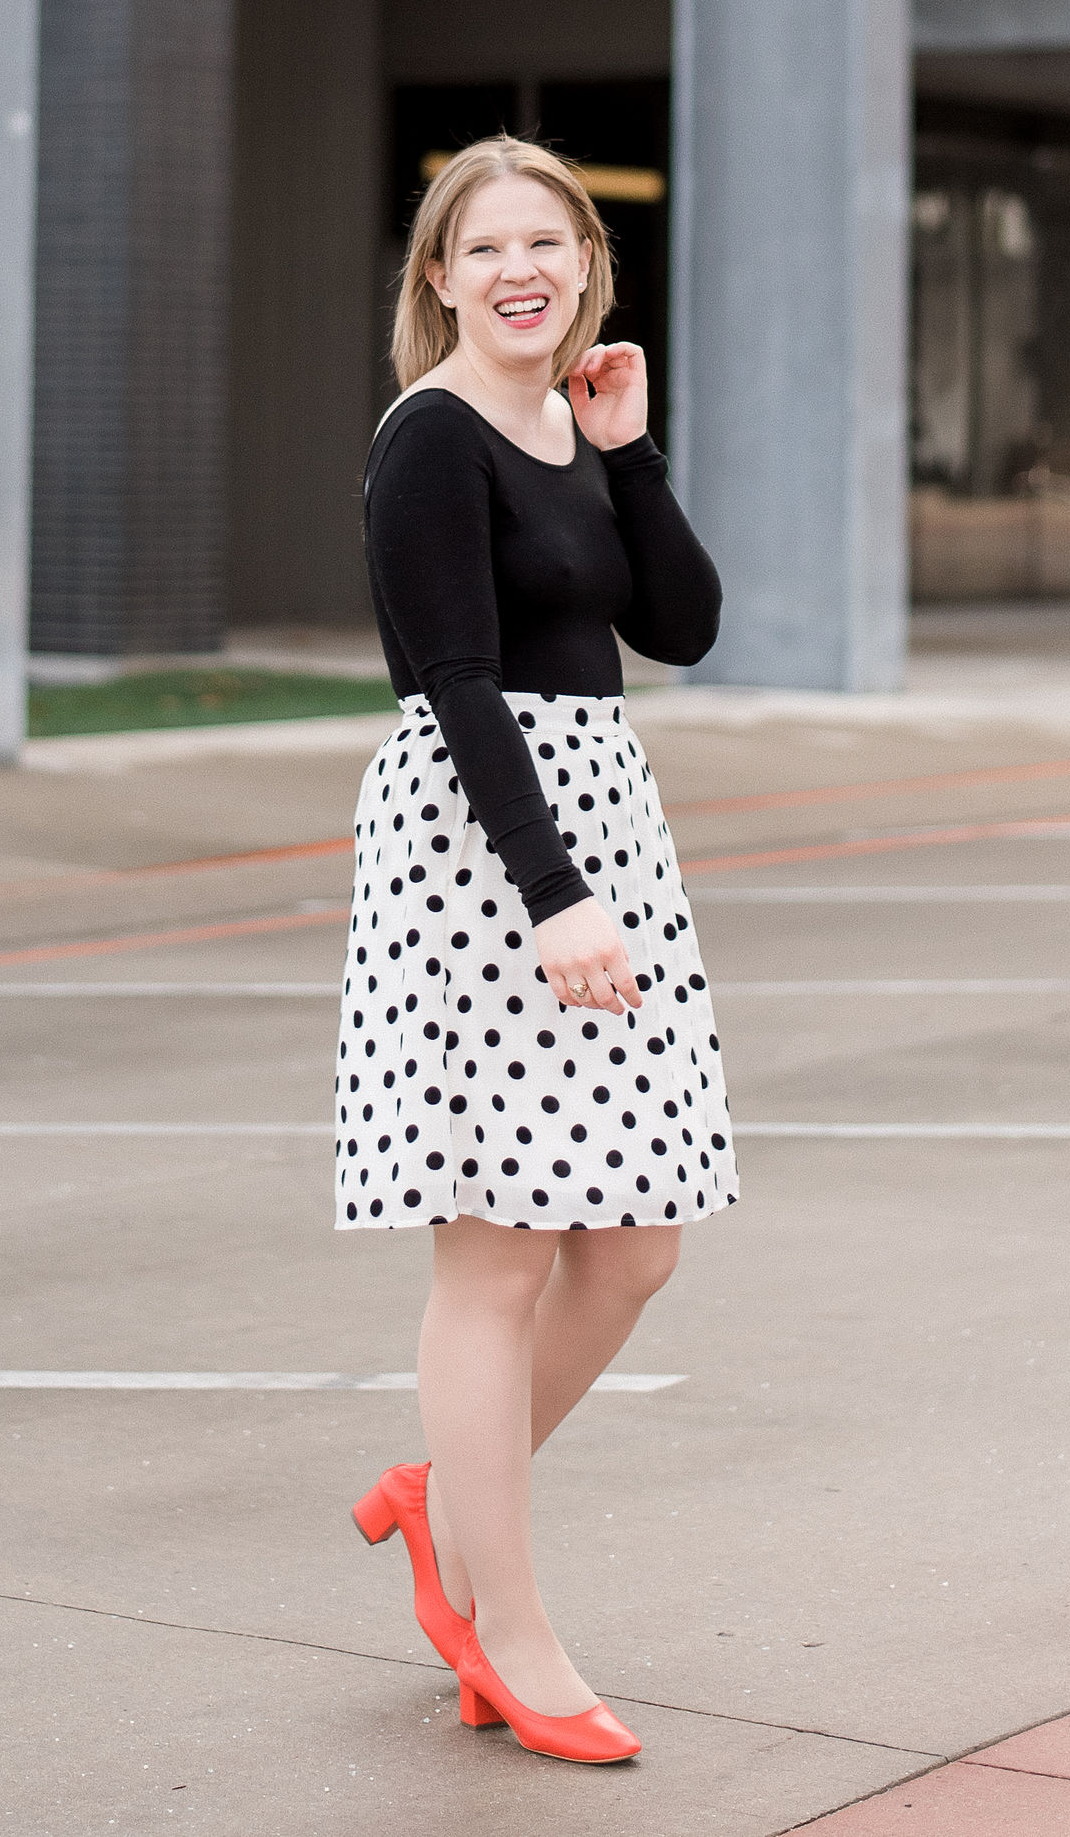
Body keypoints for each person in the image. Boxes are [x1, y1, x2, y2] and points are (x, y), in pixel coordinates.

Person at [338, 135, 736, 1767]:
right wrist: (550, 889)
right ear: (438, 278)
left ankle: (445, 1501)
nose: (522, 270)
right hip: (489, 848)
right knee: (497, 1253)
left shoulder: (565, 423)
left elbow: (684, 625)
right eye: (486, 247)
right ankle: (505, 1628)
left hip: (601, 828)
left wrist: (632, 455)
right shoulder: (431, 438)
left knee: (635, 1242)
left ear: (589, 266)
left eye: (550, 244)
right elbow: (453, 683)